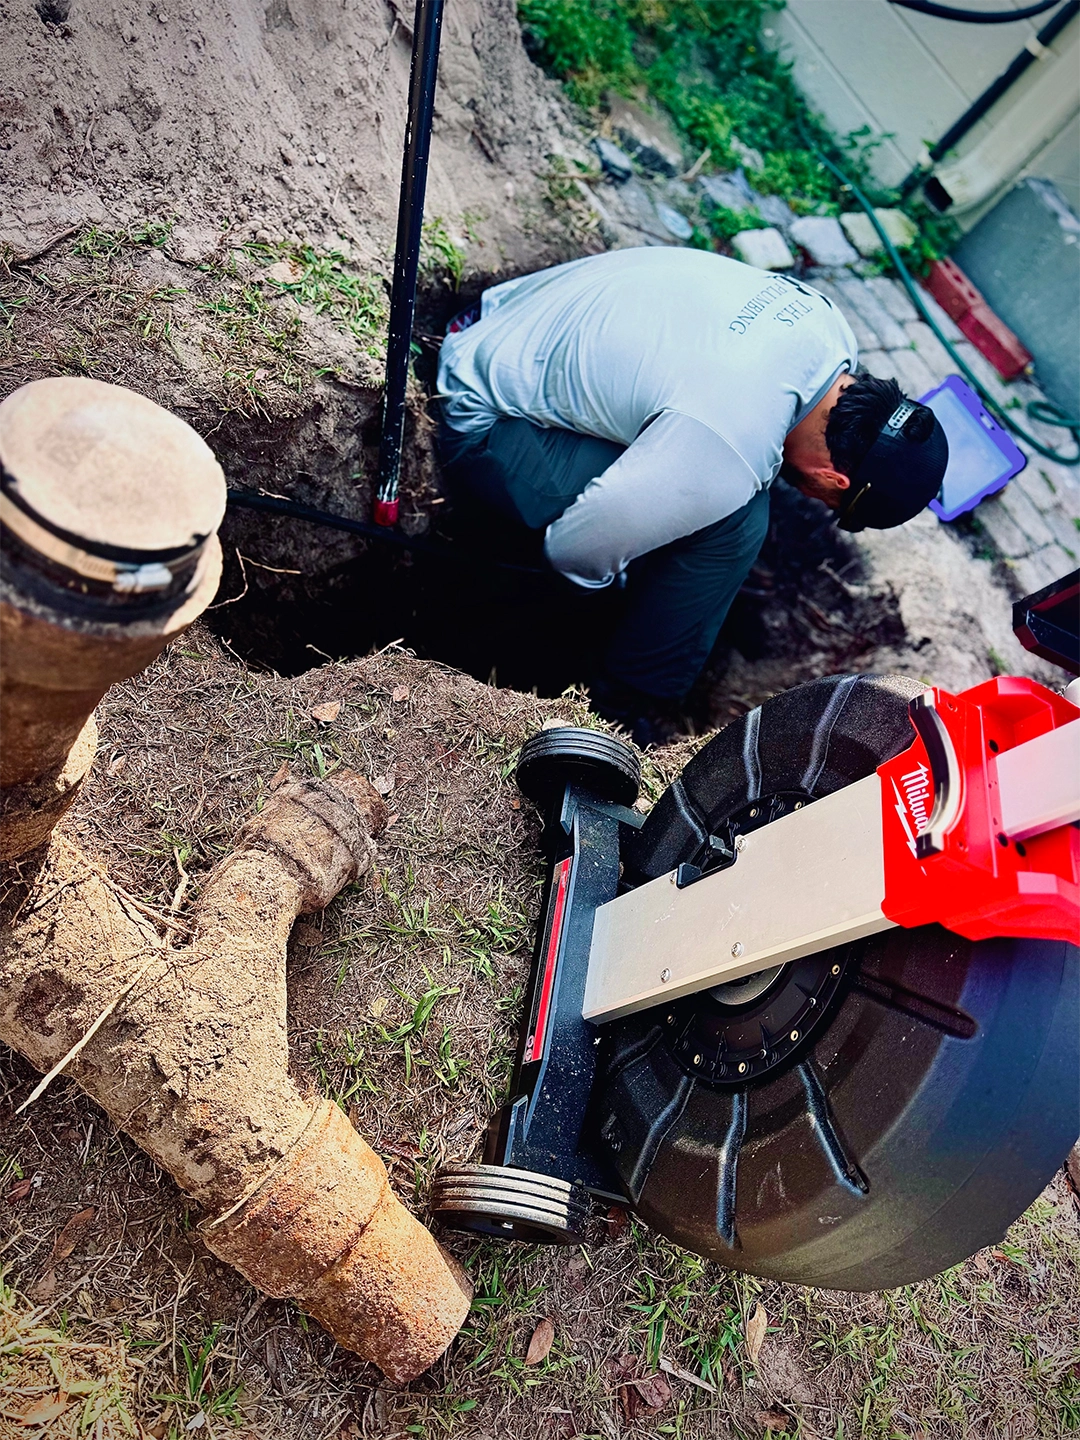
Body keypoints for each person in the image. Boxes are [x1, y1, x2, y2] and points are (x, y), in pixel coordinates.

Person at [436, 247, 948, 741]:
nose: (816, 503)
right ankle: (618, 706)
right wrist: (616, 583)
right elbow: (572, 551)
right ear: (837, 481)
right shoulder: (730, 446)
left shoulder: (828, 327)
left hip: (511, 316)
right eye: (833, 505)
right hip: (483, 412)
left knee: (722, 494)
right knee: (738, 520)